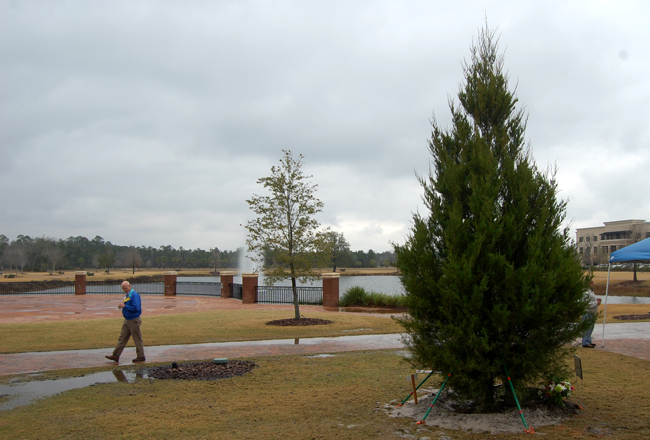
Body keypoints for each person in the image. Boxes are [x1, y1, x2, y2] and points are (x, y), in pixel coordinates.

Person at [105, 281, 146, 363]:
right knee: (122, 338)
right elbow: (129, 306)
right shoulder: (128, 295)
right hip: (127, 319)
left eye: (125, 288)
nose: (124, 289)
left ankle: (141, 356)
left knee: (137, 338)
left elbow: (136, 308)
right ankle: (116, 355)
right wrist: (123, 306)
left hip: (133, 320)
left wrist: (125, 306)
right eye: (123, 288)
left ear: (129, 286)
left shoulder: (135, 295)